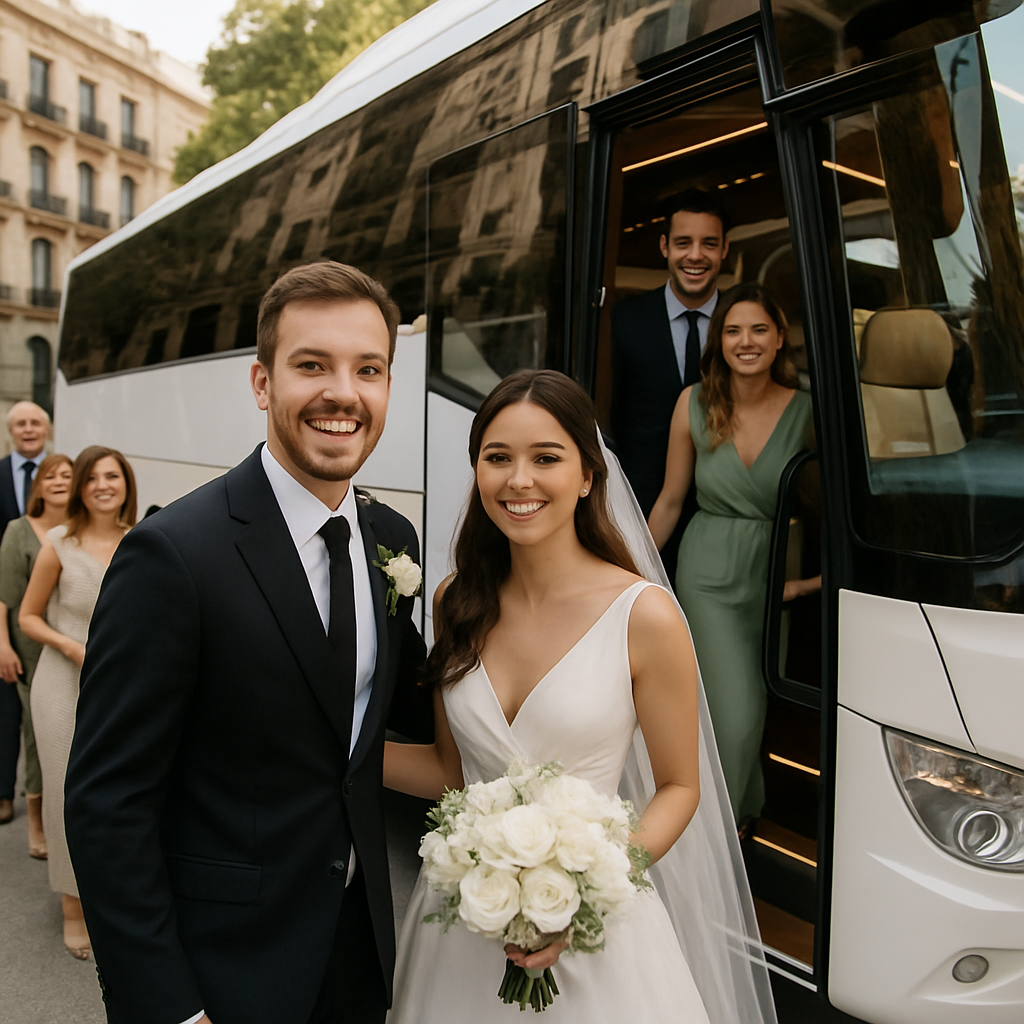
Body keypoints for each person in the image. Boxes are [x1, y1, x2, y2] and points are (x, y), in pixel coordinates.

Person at [63, 262, 432, 1024]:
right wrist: (170, 1009)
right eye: (312, 365)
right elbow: (108, 804)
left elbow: (413, 715)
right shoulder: (172, 555)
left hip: (358, 955)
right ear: (262, 383)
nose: (344, 393)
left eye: (369, 369)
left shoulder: (391, 540)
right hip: (221, 975)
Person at [385, 370, 776, 1024]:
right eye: (497, 458)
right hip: (461, 925)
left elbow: (681, 786)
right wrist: (337, 751)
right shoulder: (457, 600)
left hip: (597, 939)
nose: (519, 481)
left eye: (546, 458)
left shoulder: (644, 615)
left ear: (589, 474)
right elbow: (452, 774)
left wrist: (582, 893)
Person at [649, 283, 818, 827]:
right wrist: (628, 572)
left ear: (779, 337)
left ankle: (733, 836)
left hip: (774, 578)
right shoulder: (692, 402)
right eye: (733, 330)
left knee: (752, 716)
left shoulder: (810, 412)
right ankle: (712, 841)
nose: (746, 341)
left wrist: (810, 584)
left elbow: (833, 515)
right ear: (719, 341)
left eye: (759, 329)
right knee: (734, 716)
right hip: (706, 576)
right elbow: (672, 501)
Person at [19, 446, 136, 958]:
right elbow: (28, 616)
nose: (104, 485)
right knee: (71, 793)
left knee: (124, 791)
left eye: (114, 476)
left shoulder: (142, 543)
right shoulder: (59, 545)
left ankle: (115, 893)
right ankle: (73, 906)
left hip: (123, 687)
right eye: (94, 478)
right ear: (81, 487)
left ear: (126, 483)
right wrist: (70, 646)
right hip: (63, 684)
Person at [610, 189, 731, 580]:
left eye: (708, 243)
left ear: (724, 249)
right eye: (683, 243)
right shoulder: (622, 321)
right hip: (637, 510)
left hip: (723, 519)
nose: (695, 255)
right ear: (664, 246)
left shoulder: (743, 324)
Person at [0, 453, 74, 858]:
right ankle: (35, 822)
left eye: (67, 475)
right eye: (51, 476)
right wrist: (3, 646)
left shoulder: (82, 530)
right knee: (35, 733)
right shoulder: (19, 530)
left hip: (71, 643)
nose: (60, 481)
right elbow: (5, 598)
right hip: (29, 649)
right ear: (38, 485)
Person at [0, 400, 50, 826]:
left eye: (36, 422)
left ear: (46, 429)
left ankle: (41, 793)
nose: (29, 429)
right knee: (5, 707)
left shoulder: (61, 473)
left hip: (49, 611)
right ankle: (4, 790)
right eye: (21, 424)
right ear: (11, 432)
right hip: (7, 602)